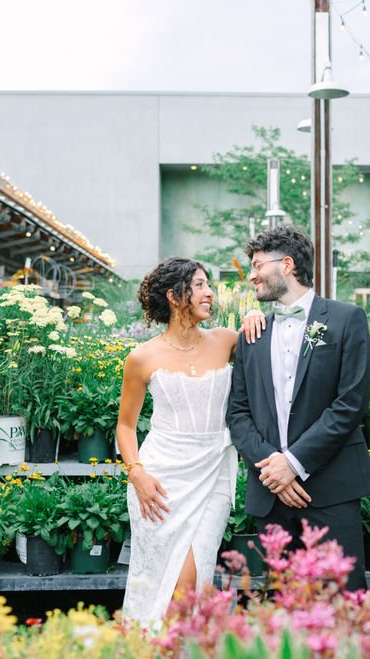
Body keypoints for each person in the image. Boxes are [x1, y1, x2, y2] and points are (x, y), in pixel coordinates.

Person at [226, 225, 370, 591]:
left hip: (331, 489)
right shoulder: (253, 331)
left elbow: (350, 404)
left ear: (288, 265)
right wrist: (272, 470)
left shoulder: (346, 319)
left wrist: (292, 463)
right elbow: (238, 413)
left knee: (343, 603)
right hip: (271, 495)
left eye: (259, 265)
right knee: (282, 608)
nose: (252, 275)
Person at [116, 257, 263, 627]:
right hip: (160, 480)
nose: (209, 292)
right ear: (174, 294)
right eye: (199, 285)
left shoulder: (228, 341)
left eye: (208, 285)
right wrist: (137, 475)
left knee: (190, 582)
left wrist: (253, 318)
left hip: (214, 472)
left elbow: (269, 350)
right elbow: (125, 426)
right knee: (158, 582)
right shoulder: (142, 357)